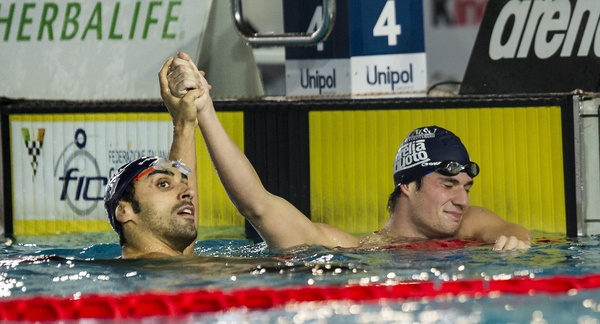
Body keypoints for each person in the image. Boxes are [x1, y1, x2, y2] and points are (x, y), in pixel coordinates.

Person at [163, 52, 532, 252]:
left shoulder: (465, 224)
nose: (461, 197)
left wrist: (518, 241)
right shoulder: (352, 249)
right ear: (408, 185)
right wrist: (205, 113)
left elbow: (510, 230)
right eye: (448, 183)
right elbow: (257, 205)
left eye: (466, 187)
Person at [103, 57, 205, 258]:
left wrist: (184, 124)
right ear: (124, 211)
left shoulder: (176, 269)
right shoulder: (168, 274)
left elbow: (183, 253)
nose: (189, 192)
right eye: (163, 184)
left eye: (183, 183)